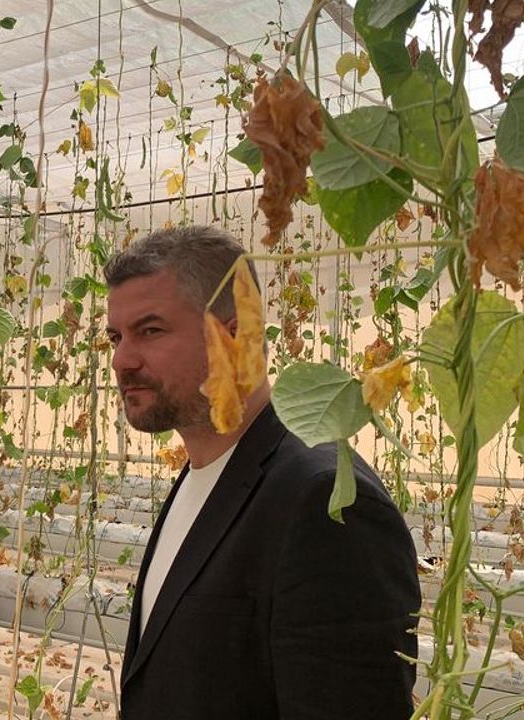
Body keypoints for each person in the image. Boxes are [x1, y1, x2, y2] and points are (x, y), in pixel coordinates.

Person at [103, 226, 420, 719]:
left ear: (236, 335)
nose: (122, 360)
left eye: (151, 330)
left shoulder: (323, 501)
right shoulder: (204, 472)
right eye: (115, 337)